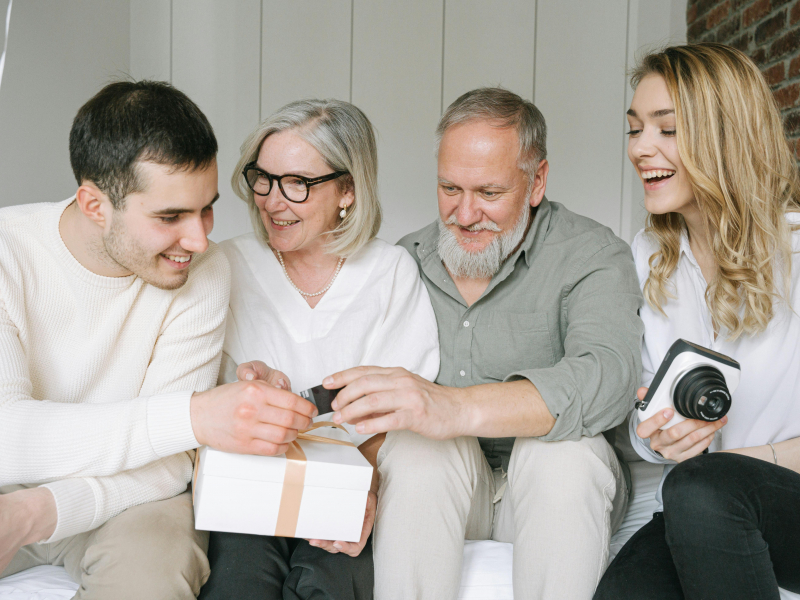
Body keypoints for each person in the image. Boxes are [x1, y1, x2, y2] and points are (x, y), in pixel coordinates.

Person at [0, 81, 318, 599]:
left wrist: (38, 511)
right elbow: (7, 438)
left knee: (157, 565)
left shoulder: (203, 270)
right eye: (170, 217)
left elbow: (168, 466)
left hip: (129, 499)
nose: (197, 239)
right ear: (94, 204)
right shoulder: (8, 253)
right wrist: (194, 416)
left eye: (206, 209)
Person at [324, 87, 644, 600]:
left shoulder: (591, 253)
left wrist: (453, 407)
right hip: (447, 489)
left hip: (553, 487)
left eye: (489, 193)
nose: (465, 214)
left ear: (537, 181)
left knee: (564, 456)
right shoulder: (404, 261)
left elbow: (607, 379)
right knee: (415, 448)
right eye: (450, 188)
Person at [198, 99, 439, 600]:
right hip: (247, 482)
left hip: (345, 488)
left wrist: (367, 491)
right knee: (238, 584)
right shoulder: (225, 266)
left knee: (325, 584)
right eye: (262, 178)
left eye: (298, 184)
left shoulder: (390, 273)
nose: (272, 200)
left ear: (347, 189)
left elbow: (396, 418)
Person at [594, 43, 800, 600]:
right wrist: (658, 440)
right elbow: (639, 415)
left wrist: (734, 463)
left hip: (785, 503)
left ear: (726, 136)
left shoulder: (797, 256)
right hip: (699, 500)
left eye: (667, 129)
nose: (641, 148)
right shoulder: (645, 257)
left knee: (703, 487)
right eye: (635, 129)